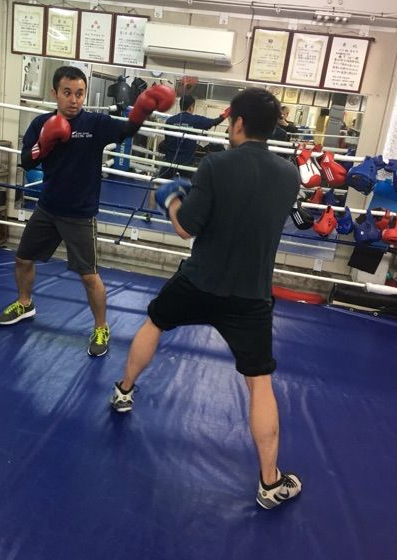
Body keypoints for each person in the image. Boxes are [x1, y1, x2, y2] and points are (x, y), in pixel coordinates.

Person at [110, 87, 302, 510]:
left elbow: (186, 228)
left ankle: (124, 390)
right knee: (260, 382)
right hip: (250, 296)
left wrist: (172, 199)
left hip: (198, 282)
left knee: (155, 322)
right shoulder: (290, 175)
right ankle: (270, 483)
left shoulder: (216, 164)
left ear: (238, 122)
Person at [0, 65, 175, 357]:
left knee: (89, 276)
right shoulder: (41, 123)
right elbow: (27, 161)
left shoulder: (95, 123)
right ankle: (25, 303)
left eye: (79, 93)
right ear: (55, 93)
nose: (74, 100)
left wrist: (142, 109)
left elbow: (126, 131)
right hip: (47, 208)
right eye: (67, 93)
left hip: (79, 214)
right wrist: (44, 144)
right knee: (22, 259)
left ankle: (101, 327)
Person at [160, 95, 229, 178]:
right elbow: (214, 122)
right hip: (186, 163)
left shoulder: (170, 121)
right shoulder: (196, 120)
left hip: (169, 161)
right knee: (194, 183)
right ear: (191, 107)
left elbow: (167, 140)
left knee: (158, 181)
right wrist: (227, 113)